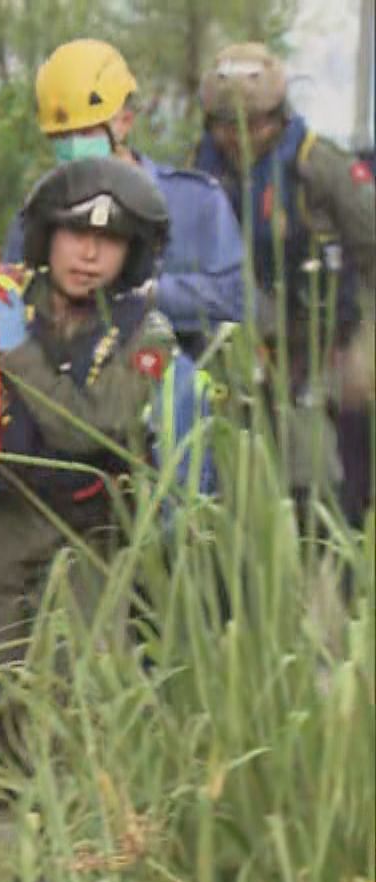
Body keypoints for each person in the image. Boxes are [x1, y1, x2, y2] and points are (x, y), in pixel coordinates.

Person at [0, 157, 189, 749]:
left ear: (132, 252)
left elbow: (92, 428)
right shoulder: (2, 296)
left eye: (110, 240)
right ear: (46, 236)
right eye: (75, 233)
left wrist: (16, 355)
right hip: (7, 503)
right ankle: (15, 767)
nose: (89, 254)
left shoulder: (149, 333)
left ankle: (71, 775)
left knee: (81, 668)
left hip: (95, 519)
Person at [193, 42, 376, 522]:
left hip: (326, 343)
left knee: (334, 468)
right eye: (226, 126)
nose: (240, 138)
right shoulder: (199, 170)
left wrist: (362, 339)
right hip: (241, 350)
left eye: (255, 124)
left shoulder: (321, 167)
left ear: (279, 115)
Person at [1, 39, 247, 358]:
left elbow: (234, 297)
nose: (73, 147)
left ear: (124, 123)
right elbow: (11, 303)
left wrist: (140, 295)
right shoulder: (39, 213)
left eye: (87, 132)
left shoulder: (195, 202)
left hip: (179, 373)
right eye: (61, 137)